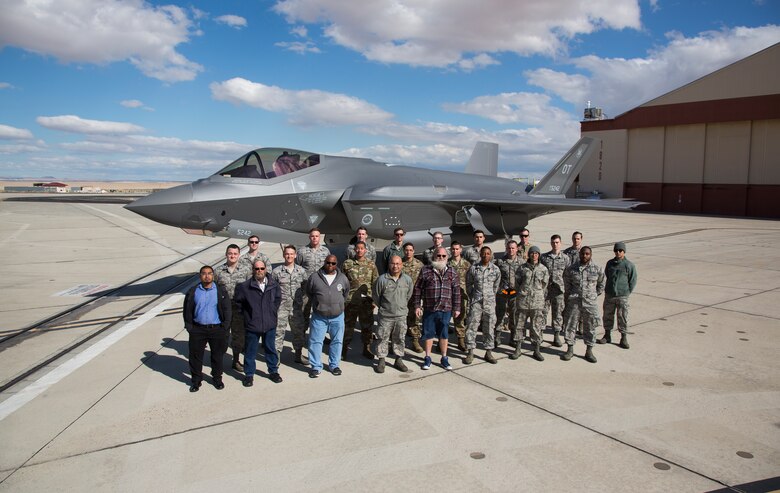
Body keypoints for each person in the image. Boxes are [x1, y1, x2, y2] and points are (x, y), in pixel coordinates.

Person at [234, 260, 283, 386]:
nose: (259, 271)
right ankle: (249, 374)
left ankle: (273, 371)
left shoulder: (273, 284)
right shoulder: (244, 287)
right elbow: (238, 304)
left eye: (262, 268)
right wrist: (248, 316)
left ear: (266, 269)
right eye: (257, 269)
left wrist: (271, 312)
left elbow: (277, 300)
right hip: (253, 325)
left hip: (269, 323)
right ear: (253, 270)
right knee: (250, 351)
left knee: (270, 349)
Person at [183, 265, 231, 392]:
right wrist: (189, 326)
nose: (207, 276)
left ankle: (217, 379)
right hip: (198, 329)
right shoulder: (193, 291)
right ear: (200, 276)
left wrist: (225, 326)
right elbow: (187, 309)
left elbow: (227, 309)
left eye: (209, 273)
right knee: (195, 357)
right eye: (204, 273)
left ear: (213, 275)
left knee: (217, 356)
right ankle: (196, 381)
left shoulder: (220, 291)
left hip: (216, 329)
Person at [412, 247, 461, 370]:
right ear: (434, 256)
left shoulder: (452, 272)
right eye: (438, 256)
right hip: (430, 309)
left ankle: (444, 358)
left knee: (444, 335)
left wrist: (457, 308)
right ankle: (427, 358)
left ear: (447, 257)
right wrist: (417, 305)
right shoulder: (426, 270)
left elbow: (456, 292)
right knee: (428, 334)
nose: (441, 258)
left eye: (444, 256)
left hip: (446, 309)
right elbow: (418, 289)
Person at [306, 254, 350, 378]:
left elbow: (345, 293)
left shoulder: (342, 278)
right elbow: (309, 292)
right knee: (315, 341)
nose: (330, 265)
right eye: (328, 263)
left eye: (333, 263)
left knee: (337, 341)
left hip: (337, 317)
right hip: (319, 316)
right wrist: (319, 304)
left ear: (337, 264)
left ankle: (334, 365)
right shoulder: (314, 277)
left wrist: (338, 305)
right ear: (324, 262)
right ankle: (315, 366)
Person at [561, 246, 605, 363]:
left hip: (590, 303)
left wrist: (593, 295)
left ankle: (589, 351)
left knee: (590, 326)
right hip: (574, 302)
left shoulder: (597, 269)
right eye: (582, 254)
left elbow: (601, 284)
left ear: (590, 255)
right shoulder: (571, 269)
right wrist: (572, 296)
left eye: (587, 254)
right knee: (570, 325)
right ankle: (570, 349)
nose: (584, 256)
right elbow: (567, 285)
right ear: (579, 254)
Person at [371, 255, 414, 373]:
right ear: (389, 264)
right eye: (393, 264)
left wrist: (400, 306)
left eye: (398, 264)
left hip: (401, 315)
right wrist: (385, 307)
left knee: (400, 338)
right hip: (386, 316)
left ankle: (398, 359)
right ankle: (381, 360)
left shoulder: (407, 280)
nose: (395, 266)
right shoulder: (382, 280)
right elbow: (376, 296)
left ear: (402, 265)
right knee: (382, 338)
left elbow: (408, 295)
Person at [214, 244, 251, 372]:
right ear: (226, 254)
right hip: (223, 310)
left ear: (239, 255)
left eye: (235, 254)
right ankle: (218, 361)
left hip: (239, 309)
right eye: (230, 253)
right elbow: (214, 290)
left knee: (238, 335)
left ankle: (235, 360)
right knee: (221, 336)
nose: (232, 256)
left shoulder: (246, 270)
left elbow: (250, 289)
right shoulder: (218, 271)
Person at [342, 241, 379, 360]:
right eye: (357, 248)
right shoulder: (347, 264)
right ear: (354, 250)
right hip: (350, 301)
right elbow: (342, 282)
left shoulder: (371, 264)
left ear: (365, 250)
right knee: (348, 326)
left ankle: (366, 348)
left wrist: (374, 301)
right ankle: (344, 348)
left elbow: (375, 283)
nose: (359, 250)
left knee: (367, 326)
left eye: (362, 248)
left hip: (366, 302)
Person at [272, 245, 309, 364]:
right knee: (278, 333)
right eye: (287, 254)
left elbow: (305, 287)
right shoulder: (277, 272)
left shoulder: (301, 271)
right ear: (284, 255)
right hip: (281, 308)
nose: (289, 256)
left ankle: (298, 355)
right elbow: (272, 290)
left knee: (298, 332)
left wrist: (300, 301)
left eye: (292, 254)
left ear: (295, 255)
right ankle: (276, 357)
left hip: (296, 308)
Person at [464, 246, 501, 364]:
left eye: (488, 253)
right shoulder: (474, 268)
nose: (485, 255)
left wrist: (490, 296)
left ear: (491, 255)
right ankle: (470, 352)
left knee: (489, 327)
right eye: (483, 253)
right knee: (472, 326)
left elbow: (496, 286)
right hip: (476, 302)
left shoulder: (495, 270)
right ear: (480, 254)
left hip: (489, 303)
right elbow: (468, 284)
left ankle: (488, 352)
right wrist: (473, 296)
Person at [513, 246, 549, 361]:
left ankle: (536, 349)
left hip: (537, 303)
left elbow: (544, 285)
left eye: (536, 253)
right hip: (523, 302)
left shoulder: (543, 269)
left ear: (539, 255)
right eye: (532, 253)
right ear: (529, 255)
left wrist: (536, 294)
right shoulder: (522, 268)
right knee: (519, 325)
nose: (534, 255)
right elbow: (517, 283)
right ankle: (518, 348)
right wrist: (523, 292)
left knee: (536, 326)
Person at [599, 242, 638, 349]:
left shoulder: (629, 265)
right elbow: (607, 274)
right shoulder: (610, 263)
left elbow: (633, 280)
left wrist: (626, 291)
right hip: (610, 294)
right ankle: (607, 335)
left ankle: (623, 337)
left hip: (622, 296)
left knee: (622, 317)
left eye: (620, 250)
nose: (618, 252)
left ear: (624, 252)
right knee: (607, 315)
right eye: (616, 250)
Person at [296, 228, 331, 328]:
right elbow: (298, 268)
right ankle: (302, 335)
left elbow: (328, 268)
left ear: (319, 237)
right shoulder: (302, 251)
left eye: (316, 236)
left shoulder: (325, 251)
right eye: (312, 236)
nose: (314, 238)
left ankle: (320, 335)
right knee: (304, 312)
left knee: (321, 313)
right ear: (309, 237)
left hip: (321, 288)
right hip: (306, 289)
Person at [541, 234, 570, 347]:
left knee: (558, 313)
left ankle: (556, 335)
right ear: (551, 243)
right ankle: (541, 333)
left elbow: (567, 275)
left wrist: (566, 289)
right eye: (553, 242)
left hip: (559, 290)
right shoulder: (544, 257)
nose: (555, 244)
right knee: (543, 312)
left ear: (560, 243)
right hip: (546, 290)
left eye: (557, 242)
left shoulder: (565, 258)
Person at [495, 240, 522, 345]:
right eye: (509, 248)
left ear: (517, 249)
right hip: (503, 292)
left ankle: (513, 338)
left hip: (515, 293)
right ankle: (497, 336)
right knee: (500, 314)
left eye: (513, 248)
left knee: (514, 315)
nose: (511, 250)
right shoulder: (500, 262)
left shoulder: (522, 262)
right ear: (506, 249)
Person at [401, 242, 425, 353]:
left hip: (415, 297)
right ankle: (398, 342)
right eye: (406, 250)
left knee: (415, 320)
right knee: (401, 320)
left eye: (410, 250)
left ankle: (415, 341)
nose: (408, 252)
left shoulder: (419, 264)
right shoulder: (399, 263)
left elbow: (424, 281)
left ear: (414, 251)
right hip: (402, 296)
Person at [448, 241, 471, 352]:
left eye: (457, 249)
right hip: (448, 295)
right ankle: (442, 340)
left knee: (460, 317)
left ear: (461, 250)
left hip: (462, 295)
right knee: (445, 318)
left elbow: (471, 280)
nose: (455, 251)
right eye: (453, 249)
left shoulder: (467, 264)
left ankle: (461, 339)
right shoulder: (447, 264)